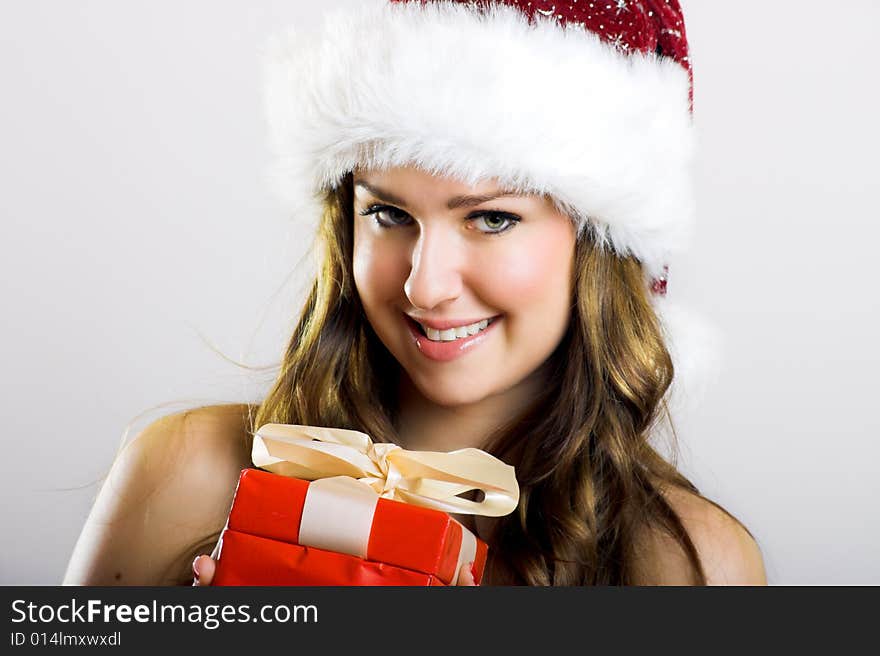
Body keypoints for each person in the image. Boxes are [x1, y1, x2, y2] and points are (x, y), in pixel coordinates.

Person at [63, 0, 767, 586]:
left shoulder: (686, 560)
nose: (424, 286)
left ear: (599, 243)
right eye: (387, 214)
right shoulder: (185, 471)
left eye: (492, 218)